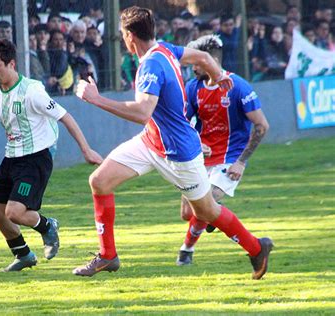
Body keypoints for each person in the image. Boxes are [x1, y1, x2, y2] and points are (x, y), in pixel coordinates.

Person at [73, 6, 273, 280]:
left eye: (122, 34)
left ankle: (256, 247)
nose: (122, 39)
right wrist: (219, 75)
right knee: (99, 181)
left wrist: (95, 98)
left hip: (178, 153)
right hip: (150, 142)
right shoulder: (165, 49)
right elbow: (202, 56)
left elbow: (142, 112)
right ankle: (108, 256)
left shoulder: (152, 65)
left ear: (130, 35)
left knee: (207, 211)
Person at [0, 39, 103, 272]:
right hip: (12, 156)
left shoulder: (32, 92)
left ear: (11, 64)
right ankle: (23, 254)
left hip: (35, 158)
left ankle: (47, 226)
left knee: (14, 212)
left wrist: (86, 150)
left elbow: (65, 117)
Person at [176, 34, 270, 266]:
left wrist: (241, 161)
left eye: (195, 63)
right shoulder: (193, 87)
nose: (192, 67)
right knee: (188, 213)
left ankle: (186, 250)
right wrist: (196, 142)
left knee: (204, 204)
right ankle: (210, 219)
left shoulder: (238, 86)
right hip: (200, 158)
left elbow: (261, 126)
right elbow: (184, 123)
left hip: (229, 159)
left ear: (209, 60)